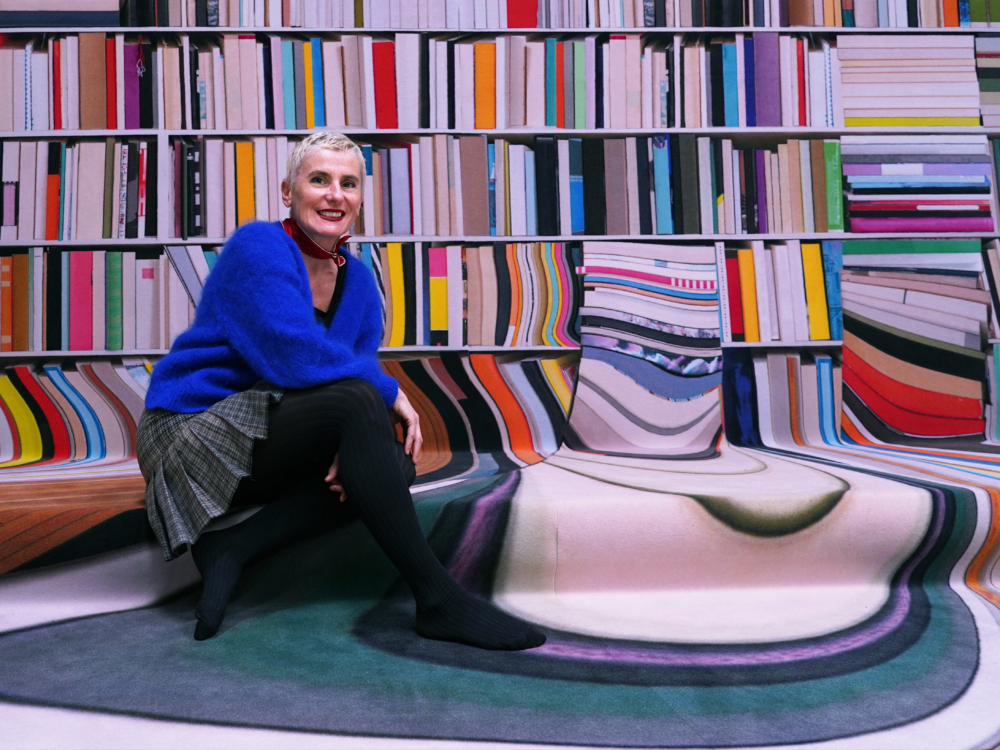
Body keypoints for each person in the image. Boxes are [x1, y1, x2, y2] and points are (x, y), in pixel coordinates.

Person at [136, 132, 546, 651]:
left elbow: (346, 370)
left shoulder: (358, 281)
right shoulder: (258, 247)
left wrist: (353, 432)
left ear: (359, 198)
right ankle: (438, 598)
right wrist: (387, 392)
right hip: (191, 431)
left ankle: (234, 546)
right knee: (360, 398)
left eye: (348, 183)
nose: (335, 194)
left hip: (268, 439)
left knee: (392, 464)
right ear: (288, 191)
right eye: (319, 180)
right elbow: (292, 357)